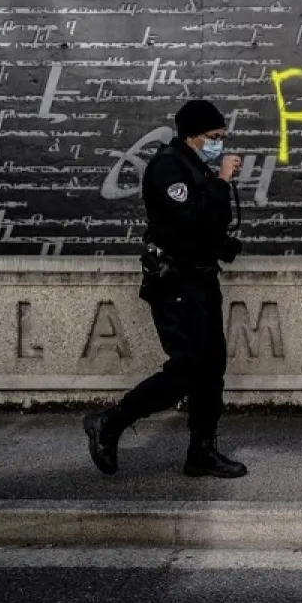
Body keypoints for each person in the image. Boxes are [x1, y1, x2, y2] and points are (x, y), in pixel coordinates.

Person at [84, 99, 248, 478]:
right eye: (213, 137)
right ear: (192, 135)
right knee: (187, 369)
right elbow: (191, 218)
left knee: (211, 369)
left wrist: (223, 245)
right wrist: (223, 181)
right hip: (176, 283)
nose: (219, 143)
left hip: (200, 279)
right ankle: (110, 422)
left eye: (221, 136)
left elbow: (204, 225)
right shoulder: (168, 167)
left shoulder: (194, 167)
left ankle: (201, 452)